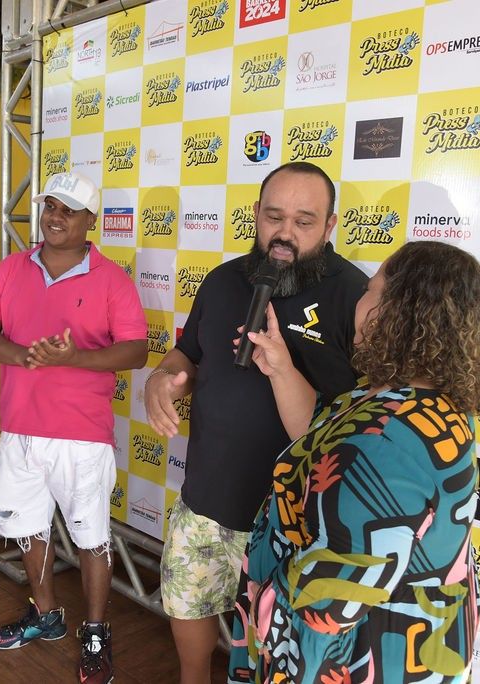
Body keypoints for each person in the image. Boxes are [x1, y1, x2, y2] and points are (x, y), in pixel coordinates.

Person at [229, 240, 480, 683]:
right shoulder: (409, 400)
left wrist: (264, 609)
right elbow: (320, 438)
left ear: (401, 311)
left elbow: (329, 606)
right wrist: (281, 367)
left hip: (354, 659)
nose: (358, 302)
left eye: (370, 290)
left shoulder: (388, 444)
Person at [143, 161, 368, 684]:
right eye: (274, 217)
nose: (285, 233)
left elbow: (361, 421)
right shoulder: (223, 280)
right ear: (255, 215)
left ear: (330, 226)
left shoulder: (355, 298)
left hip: (294, 522)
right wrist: (162, 377)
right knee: (188, 613)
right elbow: (187, 354)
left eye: (304, 221)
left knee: (279, 656)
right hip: (205, 499)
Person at [0, 172, 147, 684]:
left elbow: (136, 351)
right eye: (51, 205)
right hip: (19, 429)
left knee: (92, 537)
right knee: (29, 528)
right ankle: (46, 614)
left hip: (81, 435)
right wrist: (23, 356)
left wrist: (74, 358)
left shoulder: (112, 280)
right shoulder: (12, 268)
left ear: (92, 220)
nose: (56, 217)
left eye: (69, 210)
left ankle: (95, 630)